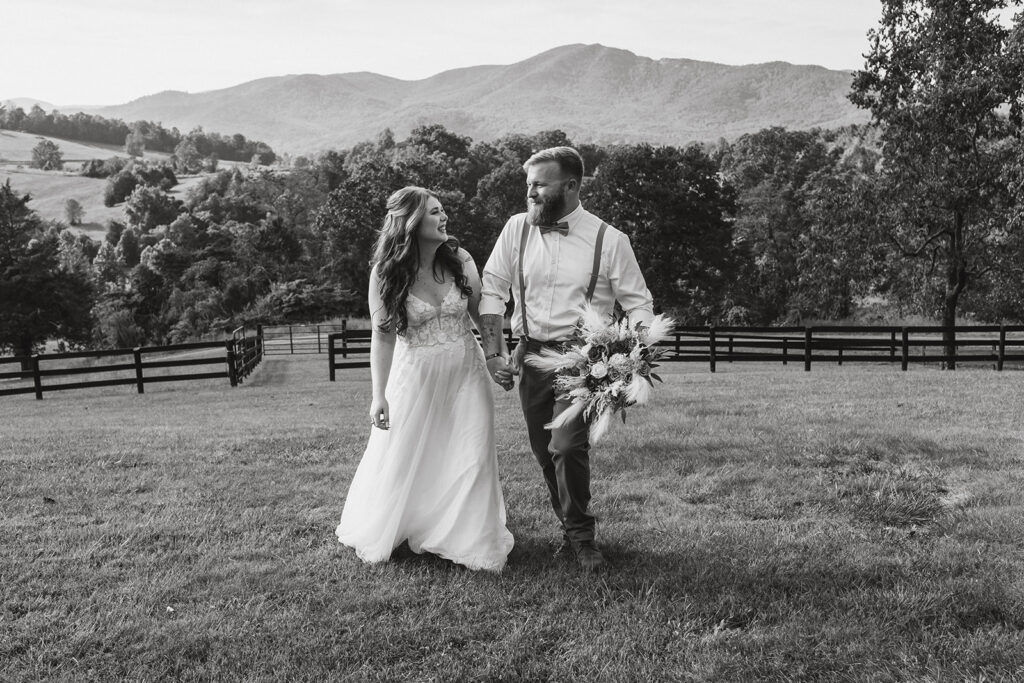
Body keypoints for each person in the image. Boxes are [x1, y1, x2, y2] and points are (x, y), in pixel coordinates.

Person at [478, 147, 654, 572]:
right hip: (531, 353)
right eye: (529, 186)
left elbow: (639, 304)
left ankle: (581, 538)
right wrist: (495, 351)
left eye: (539, 185)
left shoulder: (609, 240)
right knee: (545, 451)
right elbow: (492, 289)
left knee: (566, 445)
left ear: (571, 186)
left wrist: (632, 360)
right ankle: (570, 527)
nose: (530, 194)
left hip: (583, 362)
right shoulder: (515, 229)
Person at [336, 186, 514, 572]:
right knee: (410, 455)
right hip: (415, 377)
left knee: (472, 454)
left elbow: (482, 318)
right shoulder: (386, 272)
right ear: (412, 224)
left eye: (442, 210)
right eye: (435, 212)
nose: (444, 217)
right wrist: (377, 396)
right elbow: (382, 337)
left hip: (467, 371)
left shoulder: (461, 260)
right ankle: (415, 521)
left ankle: (473, 538)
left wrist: (495, 357)